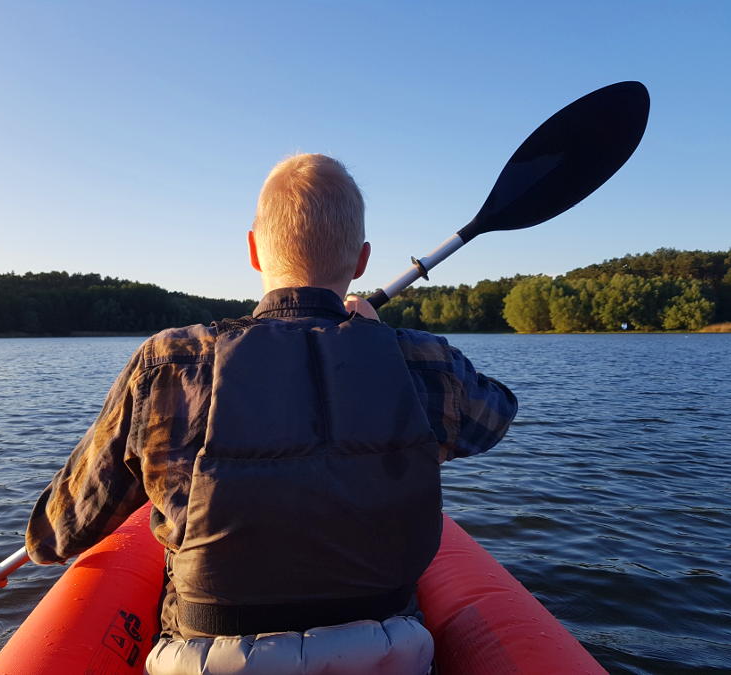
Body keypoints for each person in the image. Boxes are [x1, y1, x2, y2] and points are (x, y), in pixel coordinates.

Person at [25, 154, 517, 675]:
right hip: (388, 654)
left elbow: (57, 533)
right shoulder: (425, 361)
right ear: (362, 261)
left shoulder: (169, 362)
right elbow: (497, 414)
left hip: (206, 659)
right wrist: (379, 343)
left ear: (254, 250)